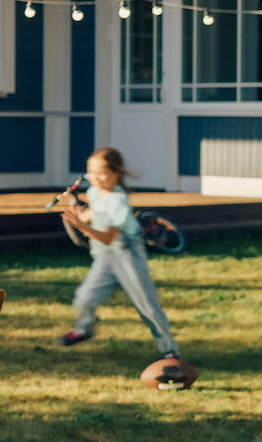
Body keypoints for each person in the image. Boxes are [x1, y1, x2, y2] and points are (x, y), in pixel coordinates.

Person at [57, 148, 186, 382]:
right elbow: (93, 213)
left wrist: (81, 226)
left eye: (103, 173)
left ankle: (170, 351)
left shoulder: (119, 200)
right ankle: (84, 329)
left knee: (146, 305)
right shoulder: (96, 192)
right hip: (105, 257)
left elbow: (107, 237)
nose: (96, 178)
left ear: (116, 174)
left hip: (126, 254)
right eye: (91, 173)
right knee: (85, 298)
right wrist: (79, 214)